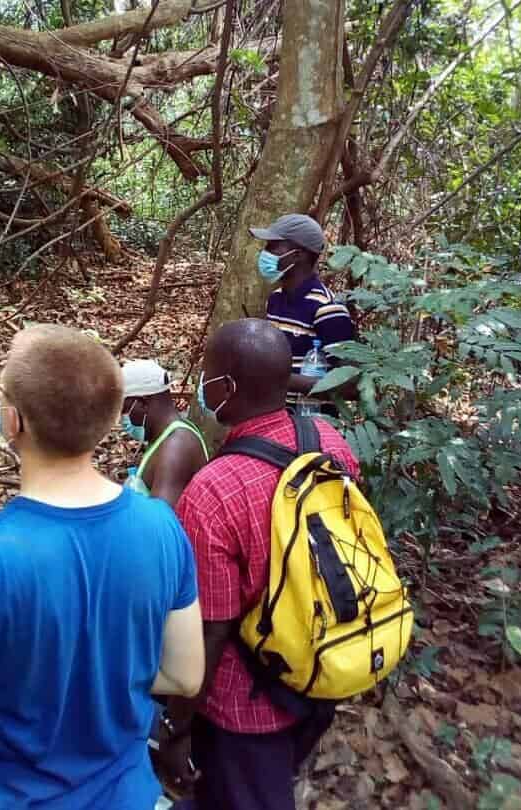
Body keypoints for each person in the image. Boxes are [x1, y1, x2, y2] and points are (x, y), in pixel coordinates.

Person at [0, 325, 205, 810]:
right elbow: (184, 675)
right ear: (109, 419)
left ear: (12, 421)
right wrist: (104, 673)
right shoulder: (162, 528)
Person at [154, 318, 360, 810]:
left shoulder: (213, 490)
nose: (202, 386)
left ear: (224, 387)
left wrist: (176, 728)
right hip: (324, 666)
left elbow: (210, 630)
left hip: (246, 708)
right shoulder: (329, 441)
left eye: (206, 376)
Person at [250, 213, 355, 405]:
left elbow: (349, 386)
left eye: (273, 247)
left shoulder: (328, 309)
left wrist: (280, 380)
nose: (265, 253)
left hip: (310, 419)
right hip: (275, 412)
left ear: (297, 255)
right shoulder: (275, 300)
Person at [120, 359, 209, 507]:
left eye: (124, 410)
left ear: (142, 403)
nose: (122, 419)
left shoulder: (176, 447)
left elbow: (161, 518)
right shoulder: (162, 437)